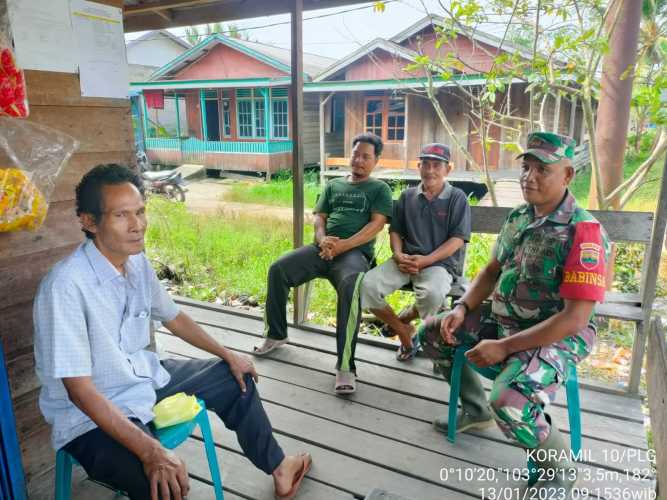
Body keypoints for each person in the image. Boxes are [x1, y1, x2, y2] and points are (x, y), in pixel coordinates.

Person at [33, 164, 311, 500]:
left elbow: (173, 318)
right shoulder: (65, 287)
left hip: (143, 380)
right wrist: (151, 452)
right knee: (164, 485)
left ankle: (279, 467)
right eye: (122, 215)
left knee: (234, 377)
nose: (138, 226)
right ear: (89, 222)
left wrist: (228, 354)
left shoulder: (136, 263)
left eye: (140, 211)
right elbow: (80, 391)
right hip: (89, 418)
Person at [417, 132, 609, 496]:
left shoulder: (584, 232)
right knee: (433, 332)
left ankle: (559, 471)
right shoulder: (520, 216)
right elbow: (490, 272)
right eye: (526, 167)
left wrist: (505, 348)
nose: (529, 177)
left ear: (567, 176)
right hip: (506, 318)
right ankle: (476, 412)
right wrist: (462, 308)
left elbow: (575, 319)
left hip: (560, 332)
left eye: (542, 170)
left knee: (509, 398)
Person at [254, 133, 393, 395]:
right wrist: (323, 241)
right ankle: (276, 333)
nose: (358, 160)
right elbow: (319, 218)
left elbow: (376, 225)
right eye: (355, 154)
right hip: (322, 249)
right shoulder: (333, 185)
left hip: (354, 255)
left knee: (352, 288)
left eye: (366, 156)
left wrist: (343, 245)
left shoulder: (379, 189)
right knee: (278, 269)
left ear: (376, 160)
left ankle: (345, 366)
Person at [360, 143, 471, 361]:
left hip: (439, 265)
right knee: (365, 287)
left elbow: (458, 240)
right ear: (419, 167)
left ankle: (412, 317)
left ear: (448, 169)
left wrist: (426, 260)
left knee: (432, 295)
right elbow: (396, 231)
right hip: (405, 261)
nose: (430, 170)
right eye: (426, 164)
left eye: (437, 165)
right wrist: (398, 254)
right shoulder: (407, 196)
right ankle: (404, 332)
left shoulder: (457, 198)